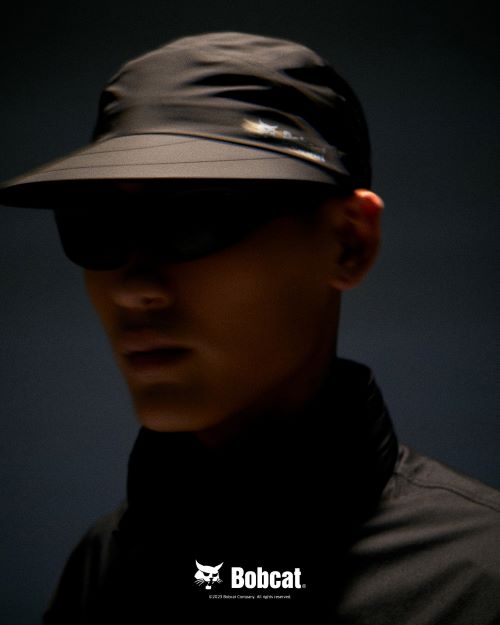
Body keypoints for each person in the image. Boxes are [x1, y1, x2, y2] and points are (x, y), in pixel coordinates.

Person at [1, 31, 499, 625]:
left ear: (349, 242)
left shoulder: (479, 580)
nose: (134, 287)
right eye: (96, 229)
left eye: (193, 219)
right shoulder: (101, 570)